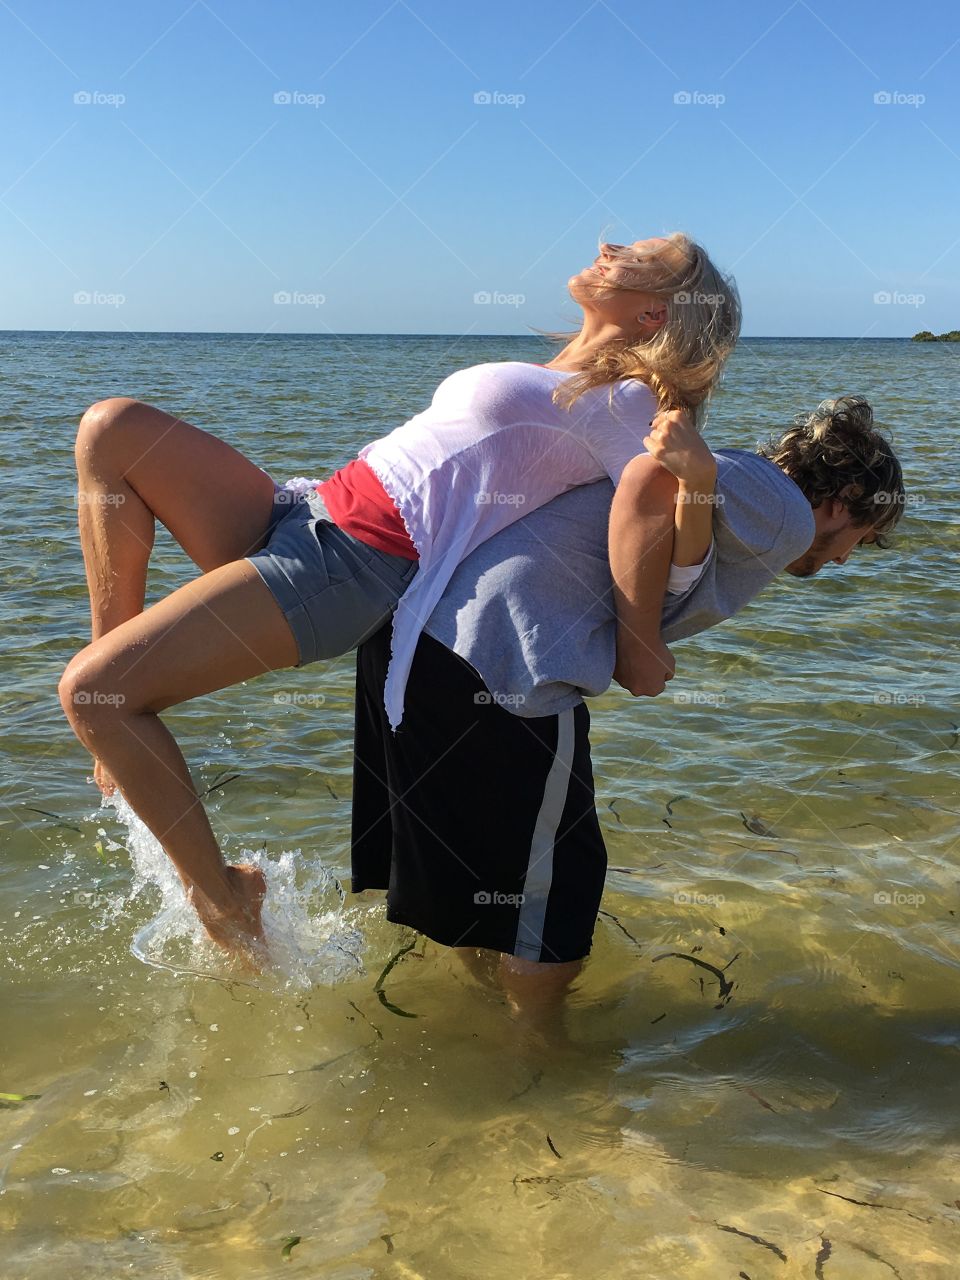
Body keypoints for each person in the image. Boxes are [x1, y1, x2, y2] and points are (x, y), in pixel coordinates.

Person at [58, 233, 738, 956]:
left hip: (353, 563)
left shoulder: (627, 403)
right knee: (112, 428)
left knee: (94, 693)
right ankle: (116, 705)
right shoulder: (558, 374)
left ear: (656, 316)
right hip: (307, 510)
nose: (610, 243)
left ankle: (225, 901)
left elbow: (662, 529)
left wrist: (696, 488)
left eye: (645, 253)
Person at [349, 397, 906, 1024]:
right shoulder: (779, 504)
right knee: (560, 895)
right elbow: (651, 477)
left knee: (483, 875)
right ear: (847, 496)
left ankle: (481, 1033)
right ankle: (542, 1055)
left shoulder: (744, 499)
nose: (846, 558)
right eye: (865, 536)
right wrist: (640, 641)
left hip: (415, 642)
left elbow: (669, 508)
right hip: (505, 656)